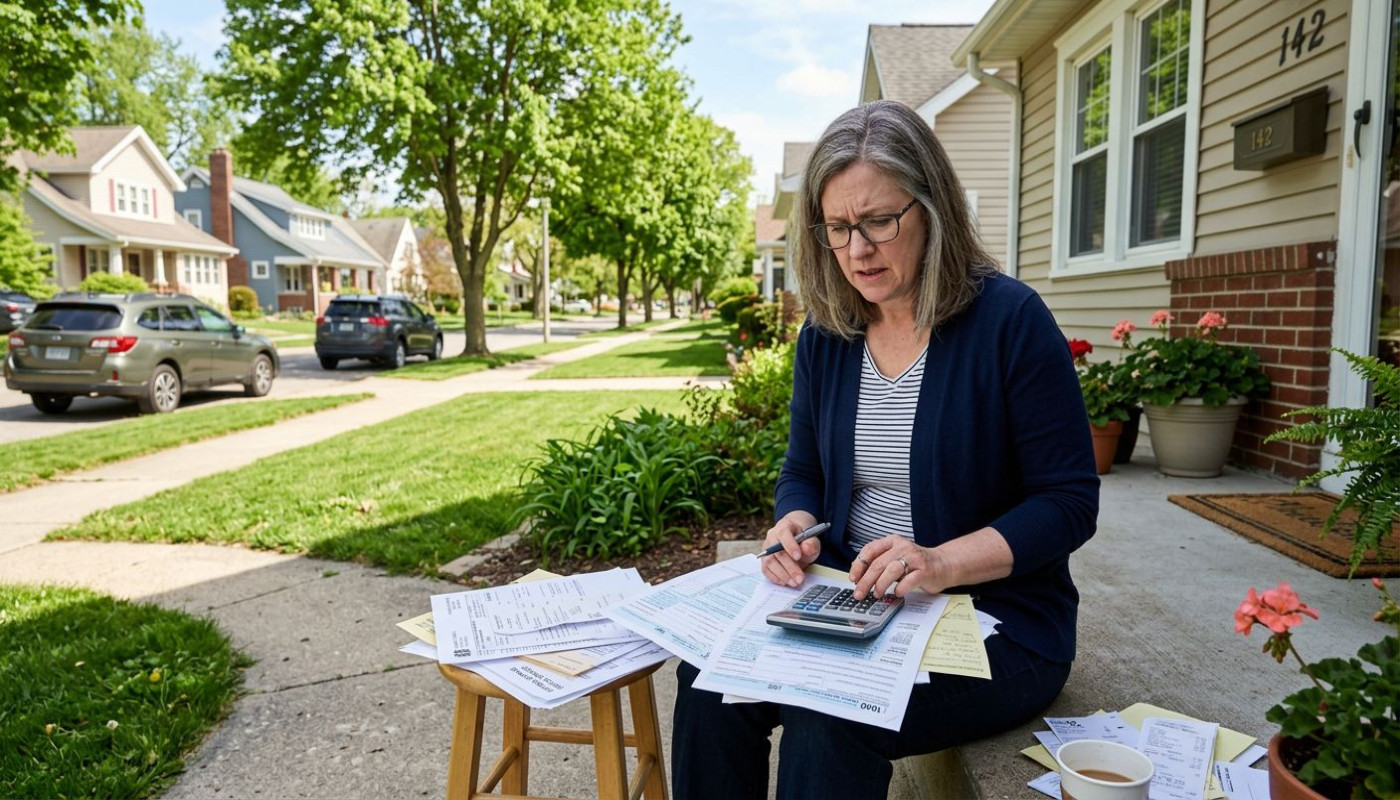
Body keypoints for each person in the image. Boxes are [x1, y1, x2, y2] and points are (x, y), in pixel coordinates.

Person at [670, 100, 1099, 799]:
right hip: (851, 599)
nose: (858, 250)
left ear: (931, 209)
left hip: (994, 620)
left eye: (878, 221)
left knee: (828, 713)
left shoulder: (1010, 322)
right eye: (838, 228)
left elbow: (1069, 503)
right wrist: (793, 524)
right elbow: (803, 470)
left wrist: (939, 561)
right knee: (707, 677)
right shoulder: (827, 335)